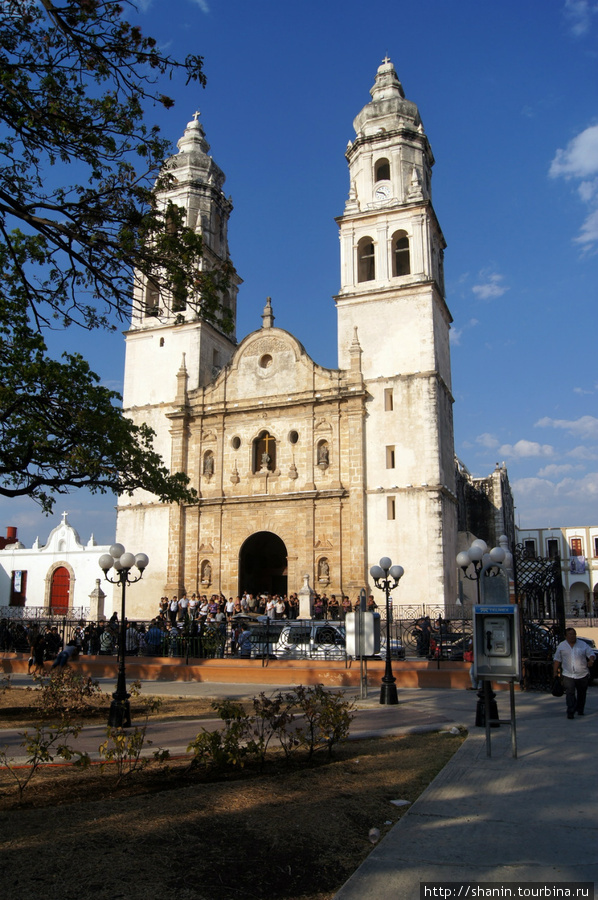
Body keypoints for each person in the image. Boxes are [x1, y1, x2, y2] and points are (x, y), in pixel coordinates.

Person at [553, 627, 596, 719]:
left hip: (582, 673)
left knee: (581, 693)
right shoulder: (561, 646)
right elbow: (557, 660)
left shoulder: (583, 645)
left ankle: (580, 709)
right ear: (565, 636)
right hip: (568, 674)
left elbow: (591, 654)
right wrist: (555, 672)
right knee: (570, 693)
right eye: (570, 634)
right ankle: (570, 711)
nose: (572, 636)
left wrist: (591, 660)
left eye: (574, 634)